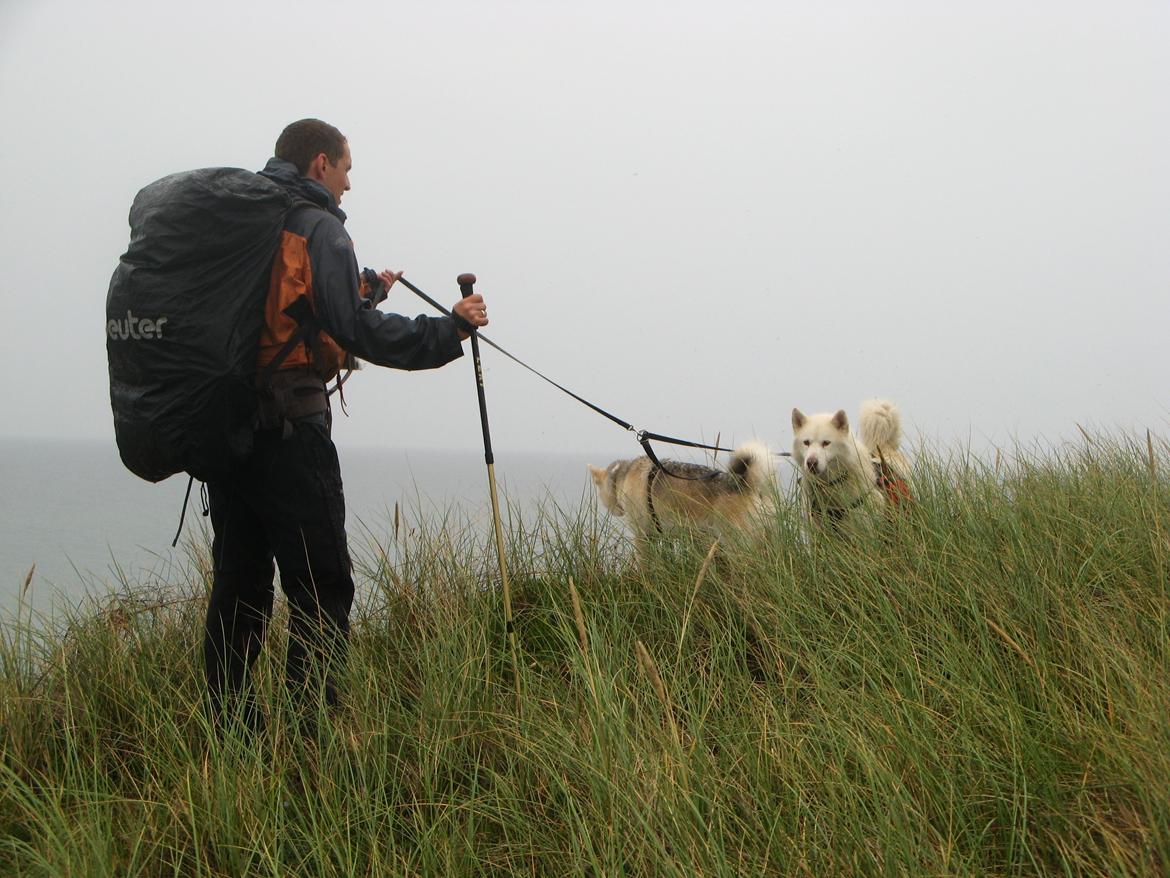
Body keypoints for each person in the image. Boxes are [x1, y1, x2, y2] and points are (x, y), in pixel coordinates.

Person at [203, 118, 489, 733]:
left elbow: (286, 307)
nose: (349, 184)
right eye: (346, 169)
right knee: (322, 584)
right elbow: (352, 331)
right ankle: (313, 741)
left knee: (240, 588)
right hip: (290, 432)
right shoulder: (318, 226)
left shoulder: (249, 224)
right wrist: (448, 329)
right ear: (319, 165)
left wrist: (363, 289)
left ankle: (230, 740)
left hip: (227, 435)